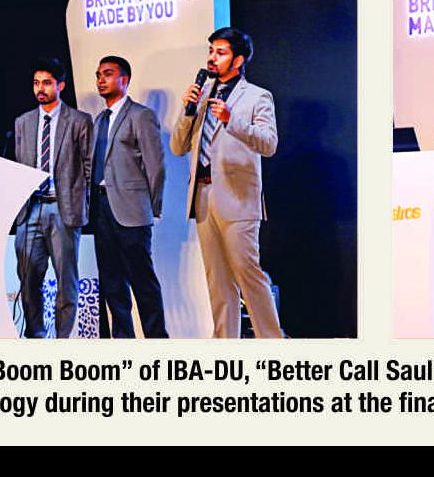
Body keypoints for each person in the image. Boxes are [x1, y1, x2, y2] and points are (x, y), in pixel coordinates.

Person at [173, 27, 285, 338]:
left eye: (220, 53)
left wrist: (231, 119)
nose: (212, 58)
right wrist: (187, 110)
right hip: (203, 196)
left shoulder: (257, 96)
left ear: (238, 60)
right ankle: (225, 344)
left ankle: (272, 342)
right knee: (217, 280)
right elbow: (178, 146)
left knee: (248, 275)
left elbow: (269, 144)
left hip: (238, 198)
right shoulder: (202, 95)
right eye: (211, 51)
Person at [86, 55, 168, 338]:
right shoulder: (99, 119)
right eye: (98, 75)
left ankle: (157, 340)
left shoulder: (141, 115)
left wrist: (151, 207)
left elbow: (156, 166)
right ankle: (123, 342)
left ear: (125, 79)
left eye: (108, 74)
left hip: (132, 210)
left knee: (142, 281)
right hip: (101, 208)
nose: (101, 80)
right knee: (111, 282)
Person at [11, 57, 93, 339]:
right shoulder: (23, 123)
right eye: (36, 83)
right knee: (28, 278)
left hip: (63, 208)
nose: (40, 88)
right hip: (30, 210)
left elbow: (89, 166)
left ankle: (62, 340)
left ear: (61, 85)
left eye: (46, 83)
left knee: (66, 281)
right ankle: (36, 335)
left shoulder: (79, 121)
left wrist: (81, 204)